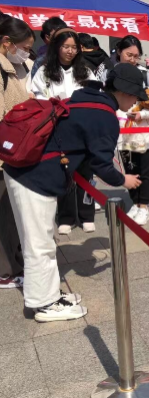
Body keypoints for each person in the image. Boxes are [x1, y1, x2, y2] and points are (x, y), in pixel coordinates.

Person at [3, 63, 143, 322]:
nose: (136, 102)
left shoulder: (87, 98)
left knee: (40, 240)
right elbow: (102, 165)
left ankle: (49, 294)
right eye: (135, 95)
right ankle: (44, 304)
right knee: (39, 244)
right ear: (124, 91)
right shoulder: (104, 115)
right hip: (35, 177)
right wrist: (124, 180)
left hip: (25, 170)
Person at [30, 28, 97, 235]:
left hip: (83, 129)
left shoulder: (85, 70)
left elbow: (96, 95)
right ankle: (66, 217)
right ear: (57, 47)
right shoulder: (44, 71)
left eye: (74, 47)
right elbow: (36, 96)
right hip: (57, 129)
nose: (70, 51)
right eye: (66, 47)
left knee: (86, 172)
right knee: (64, 172)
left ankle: (87, 215)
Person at [107, 35, 149, 225]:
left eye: (136, 56)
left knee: (145, 169)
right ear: (119, 52)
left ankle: (144, 206)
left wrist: (144, 114)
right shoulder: (111, 74)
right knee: (129, 168)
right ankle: (134, 202)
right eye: (129, 55)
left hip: (144, 130)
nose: (133, 59)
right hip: (122, 131)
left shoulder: (145, 75)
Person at [0, 17, 35, 289]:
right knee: (4, 217)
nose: (27, 53)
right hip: (5, 154)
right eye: (24, 48)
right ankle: (5, 272)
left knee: (12, 215)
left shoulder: (18, 67)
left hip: (16, 152)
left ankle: (13, 262)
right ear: (6, 42)